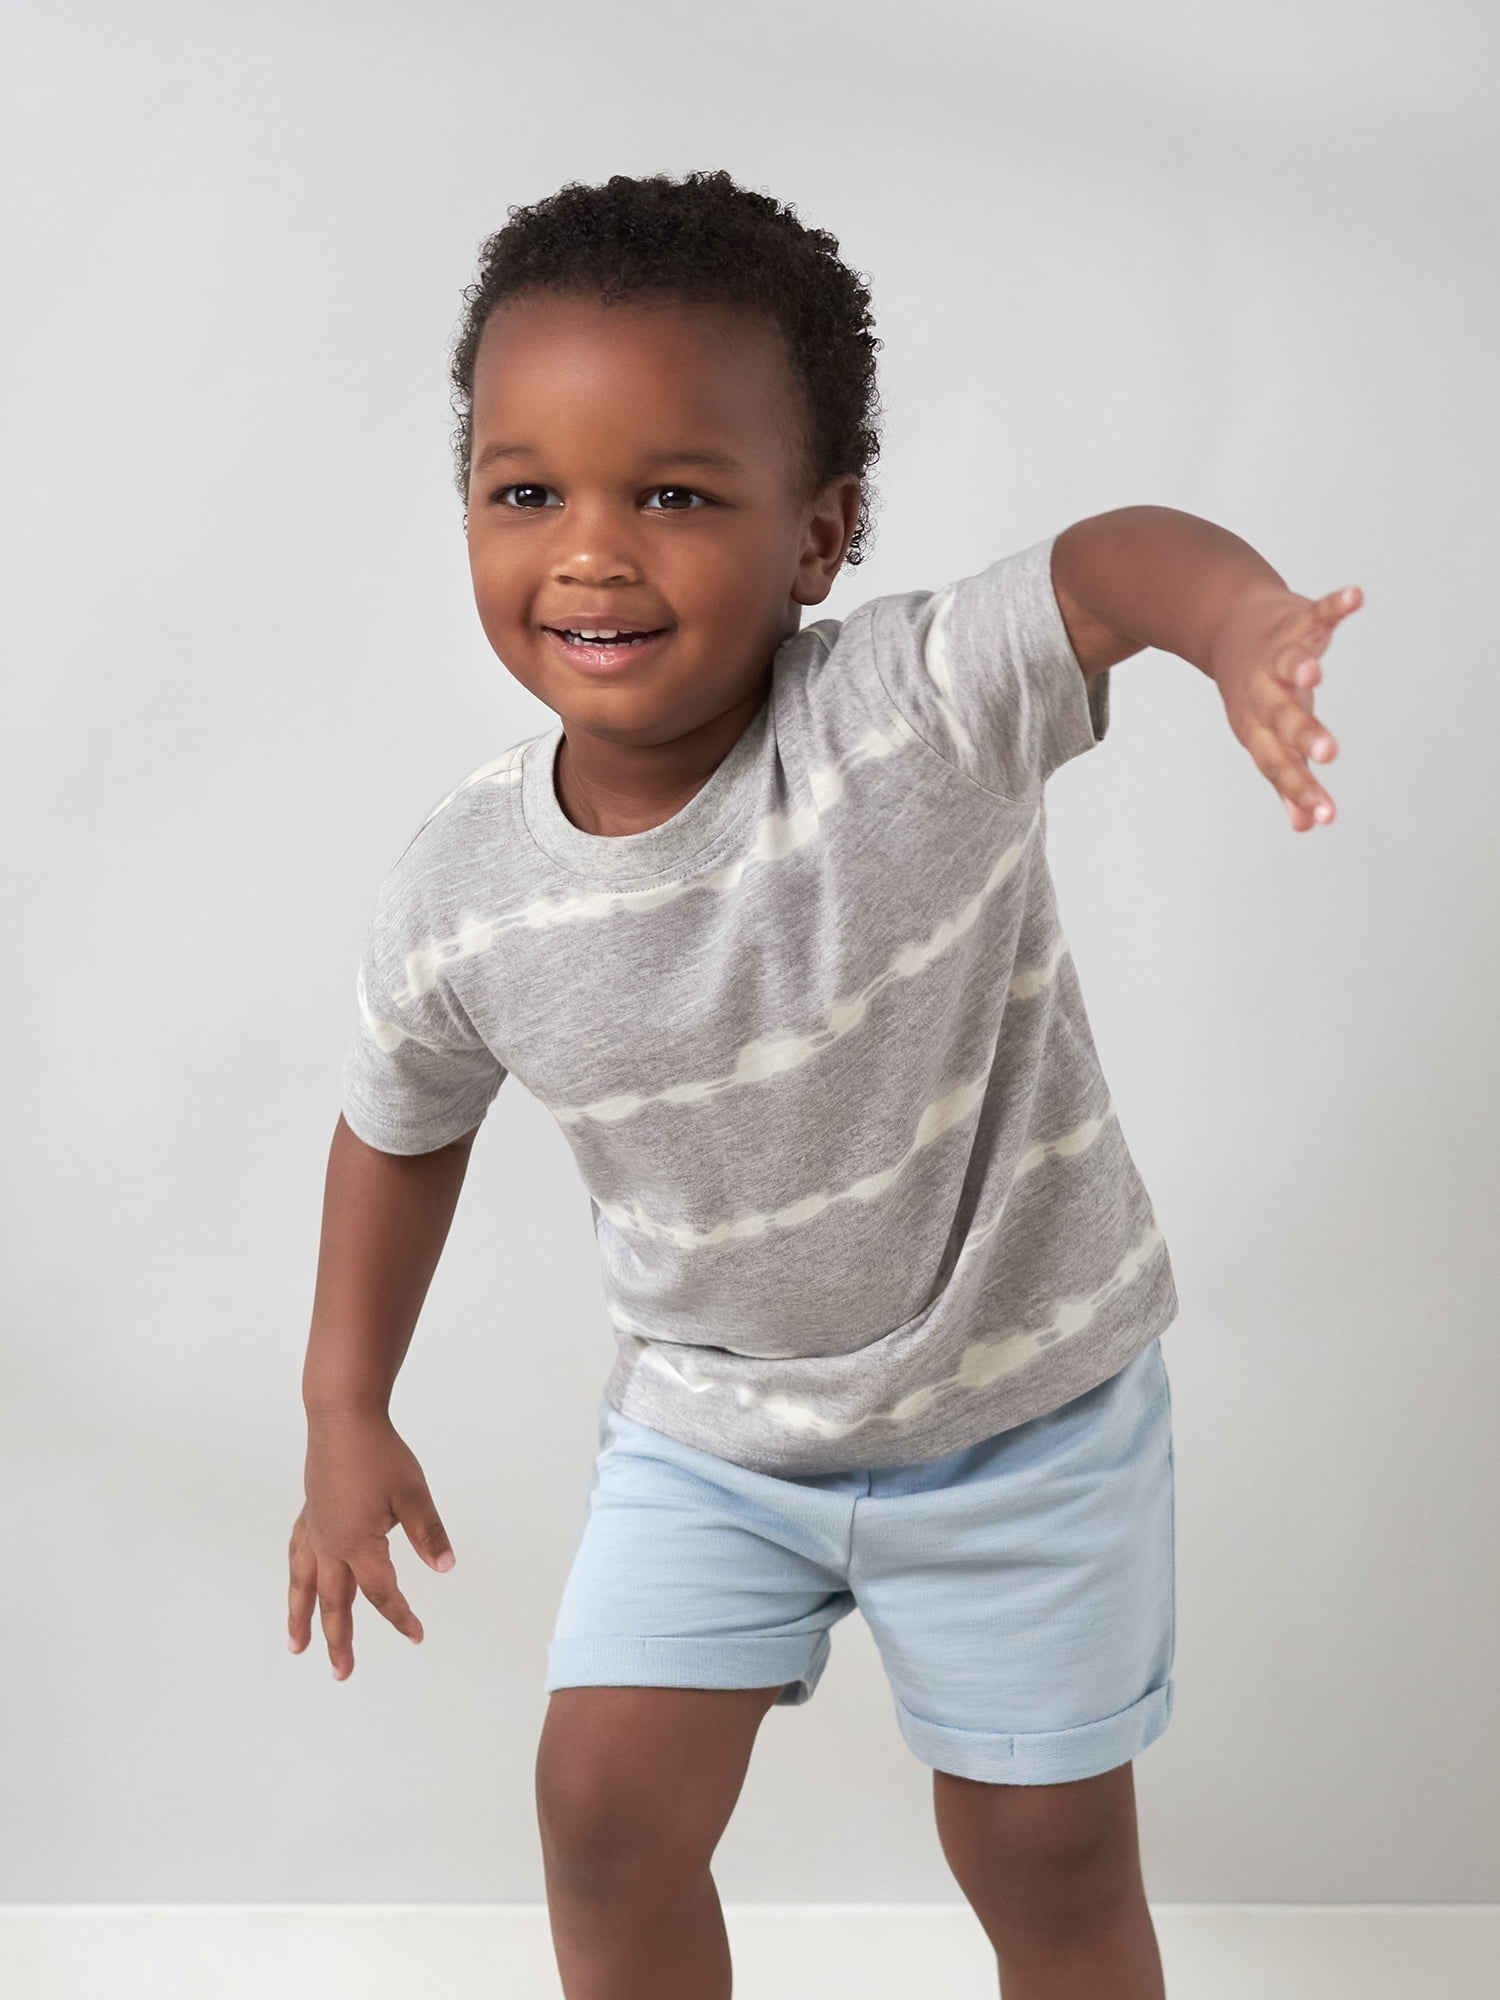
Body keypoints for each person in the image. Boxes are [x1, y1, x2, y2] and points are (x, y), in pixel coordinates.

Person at [285, 169, 1361, 2000]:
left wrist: (1237, 617)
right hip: (713, 1441)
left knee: (1039, 1849)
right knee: (604, 1808)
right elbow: (400, 1130)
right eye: (526, 491)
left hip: (1024, 1414)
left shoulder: (914, 709)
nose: (592, 552)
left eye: (674, 495)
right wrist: (342, 1405)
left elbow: (1107, 565)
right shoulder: (464, 891)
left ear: (821, 530)